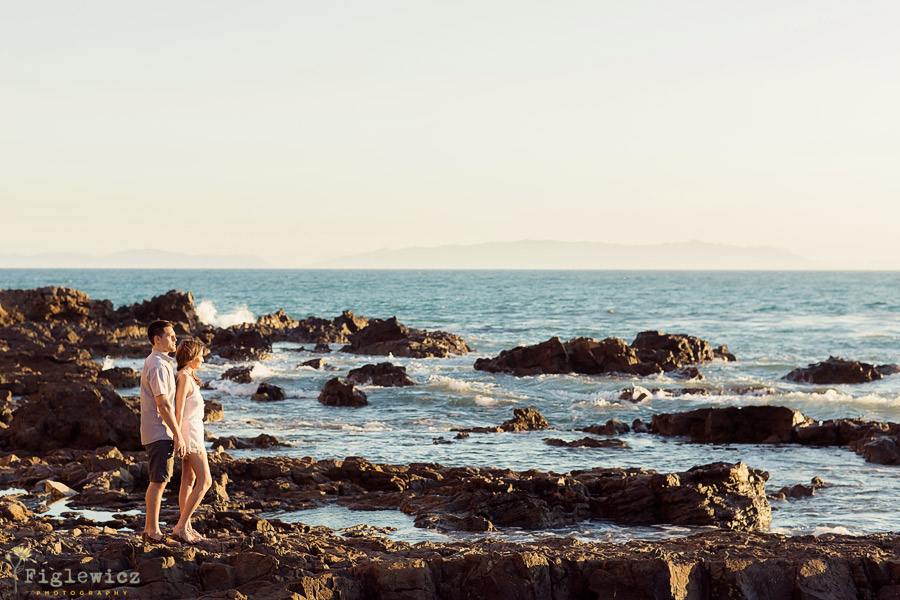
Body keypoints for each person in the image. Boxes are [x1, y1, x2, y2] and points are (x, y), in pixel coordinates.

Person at [140, 320, 186, 543]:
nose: (175, 339)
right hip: (160, 430)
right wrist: (177, 433)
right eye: (170, 336)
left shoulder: (161, 362)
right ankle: (153, 531)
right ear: (157, 339)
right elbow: (163, 404)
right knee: (158, 482)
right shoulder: (157, 365)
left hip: (159, 430)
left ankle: (150, 529)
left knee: (159, 480)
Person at [172, 339, 212, 543]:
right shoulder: (184, 379)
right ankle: (181, 526)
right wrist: (178, 437)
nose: (203, 359)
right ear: (190, 356)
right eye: (200, 355)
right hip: (189, 433)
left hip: (194, 430)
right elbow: (177, 410)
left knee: (188, 480)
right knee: (205, 481)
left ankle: (185, 526)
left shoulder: (188, 377)